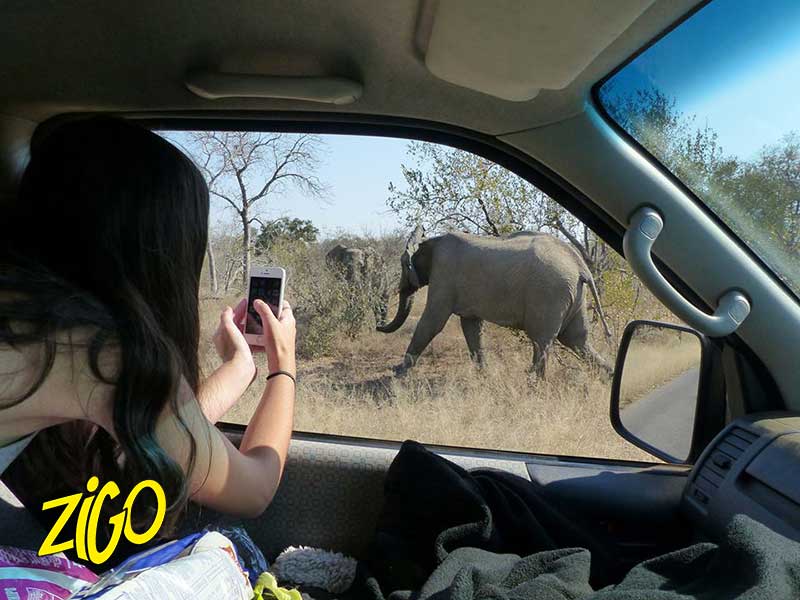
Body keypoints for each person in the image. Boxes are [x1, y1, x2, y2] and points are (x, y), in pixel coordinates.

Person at [0, 118, 296, 541]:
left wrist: (239, 367)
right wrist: (284, 366)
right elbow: (254, 488)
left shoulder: (37, 324)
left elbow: (148, 436)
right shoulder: (99, 352)